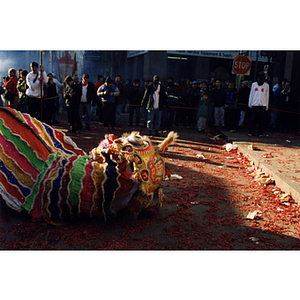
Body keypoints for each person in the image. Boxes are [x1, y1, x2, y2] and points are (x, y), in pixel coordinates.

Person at [248, 71, 270, 137]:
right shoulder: (254, 84)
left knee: (262, 120)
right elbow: (251, 94)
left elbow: (267, 96)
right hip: (255, 104)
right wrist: (250, 103)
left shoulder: (266, 85)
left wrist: (267, 105)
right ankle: (252, 132)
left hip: (262, 105)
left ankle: (260, 133)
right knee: (253, 120)